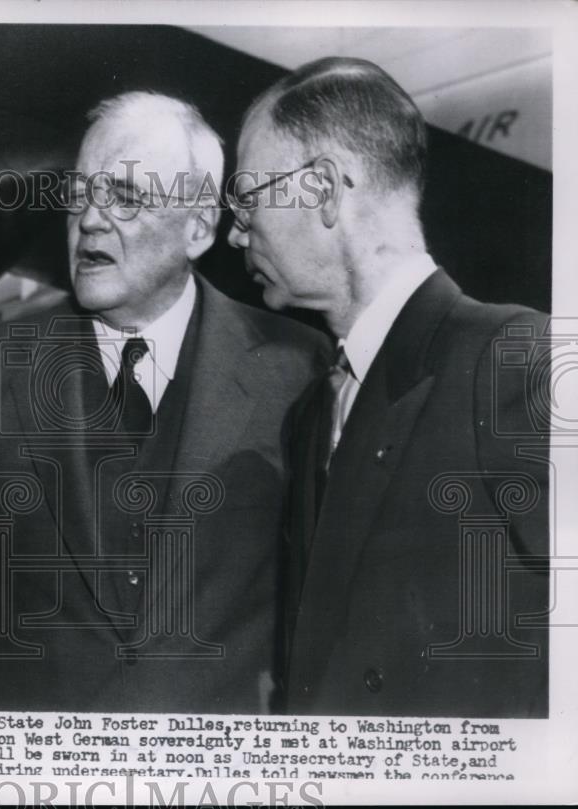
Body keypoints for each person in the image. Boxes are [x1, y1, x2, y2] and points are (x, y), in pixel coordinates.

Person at [0, 91, 328, 712]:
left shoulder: (296, 368)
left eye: (126, 197)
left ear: (200, 227)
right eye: (80, 193)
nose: (90, 221)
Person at [227, 57, 549, 717]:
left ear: (320, 189)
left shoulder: (518, 359)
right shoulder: (314, 412)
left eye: (248, 199)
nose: (236, 230)